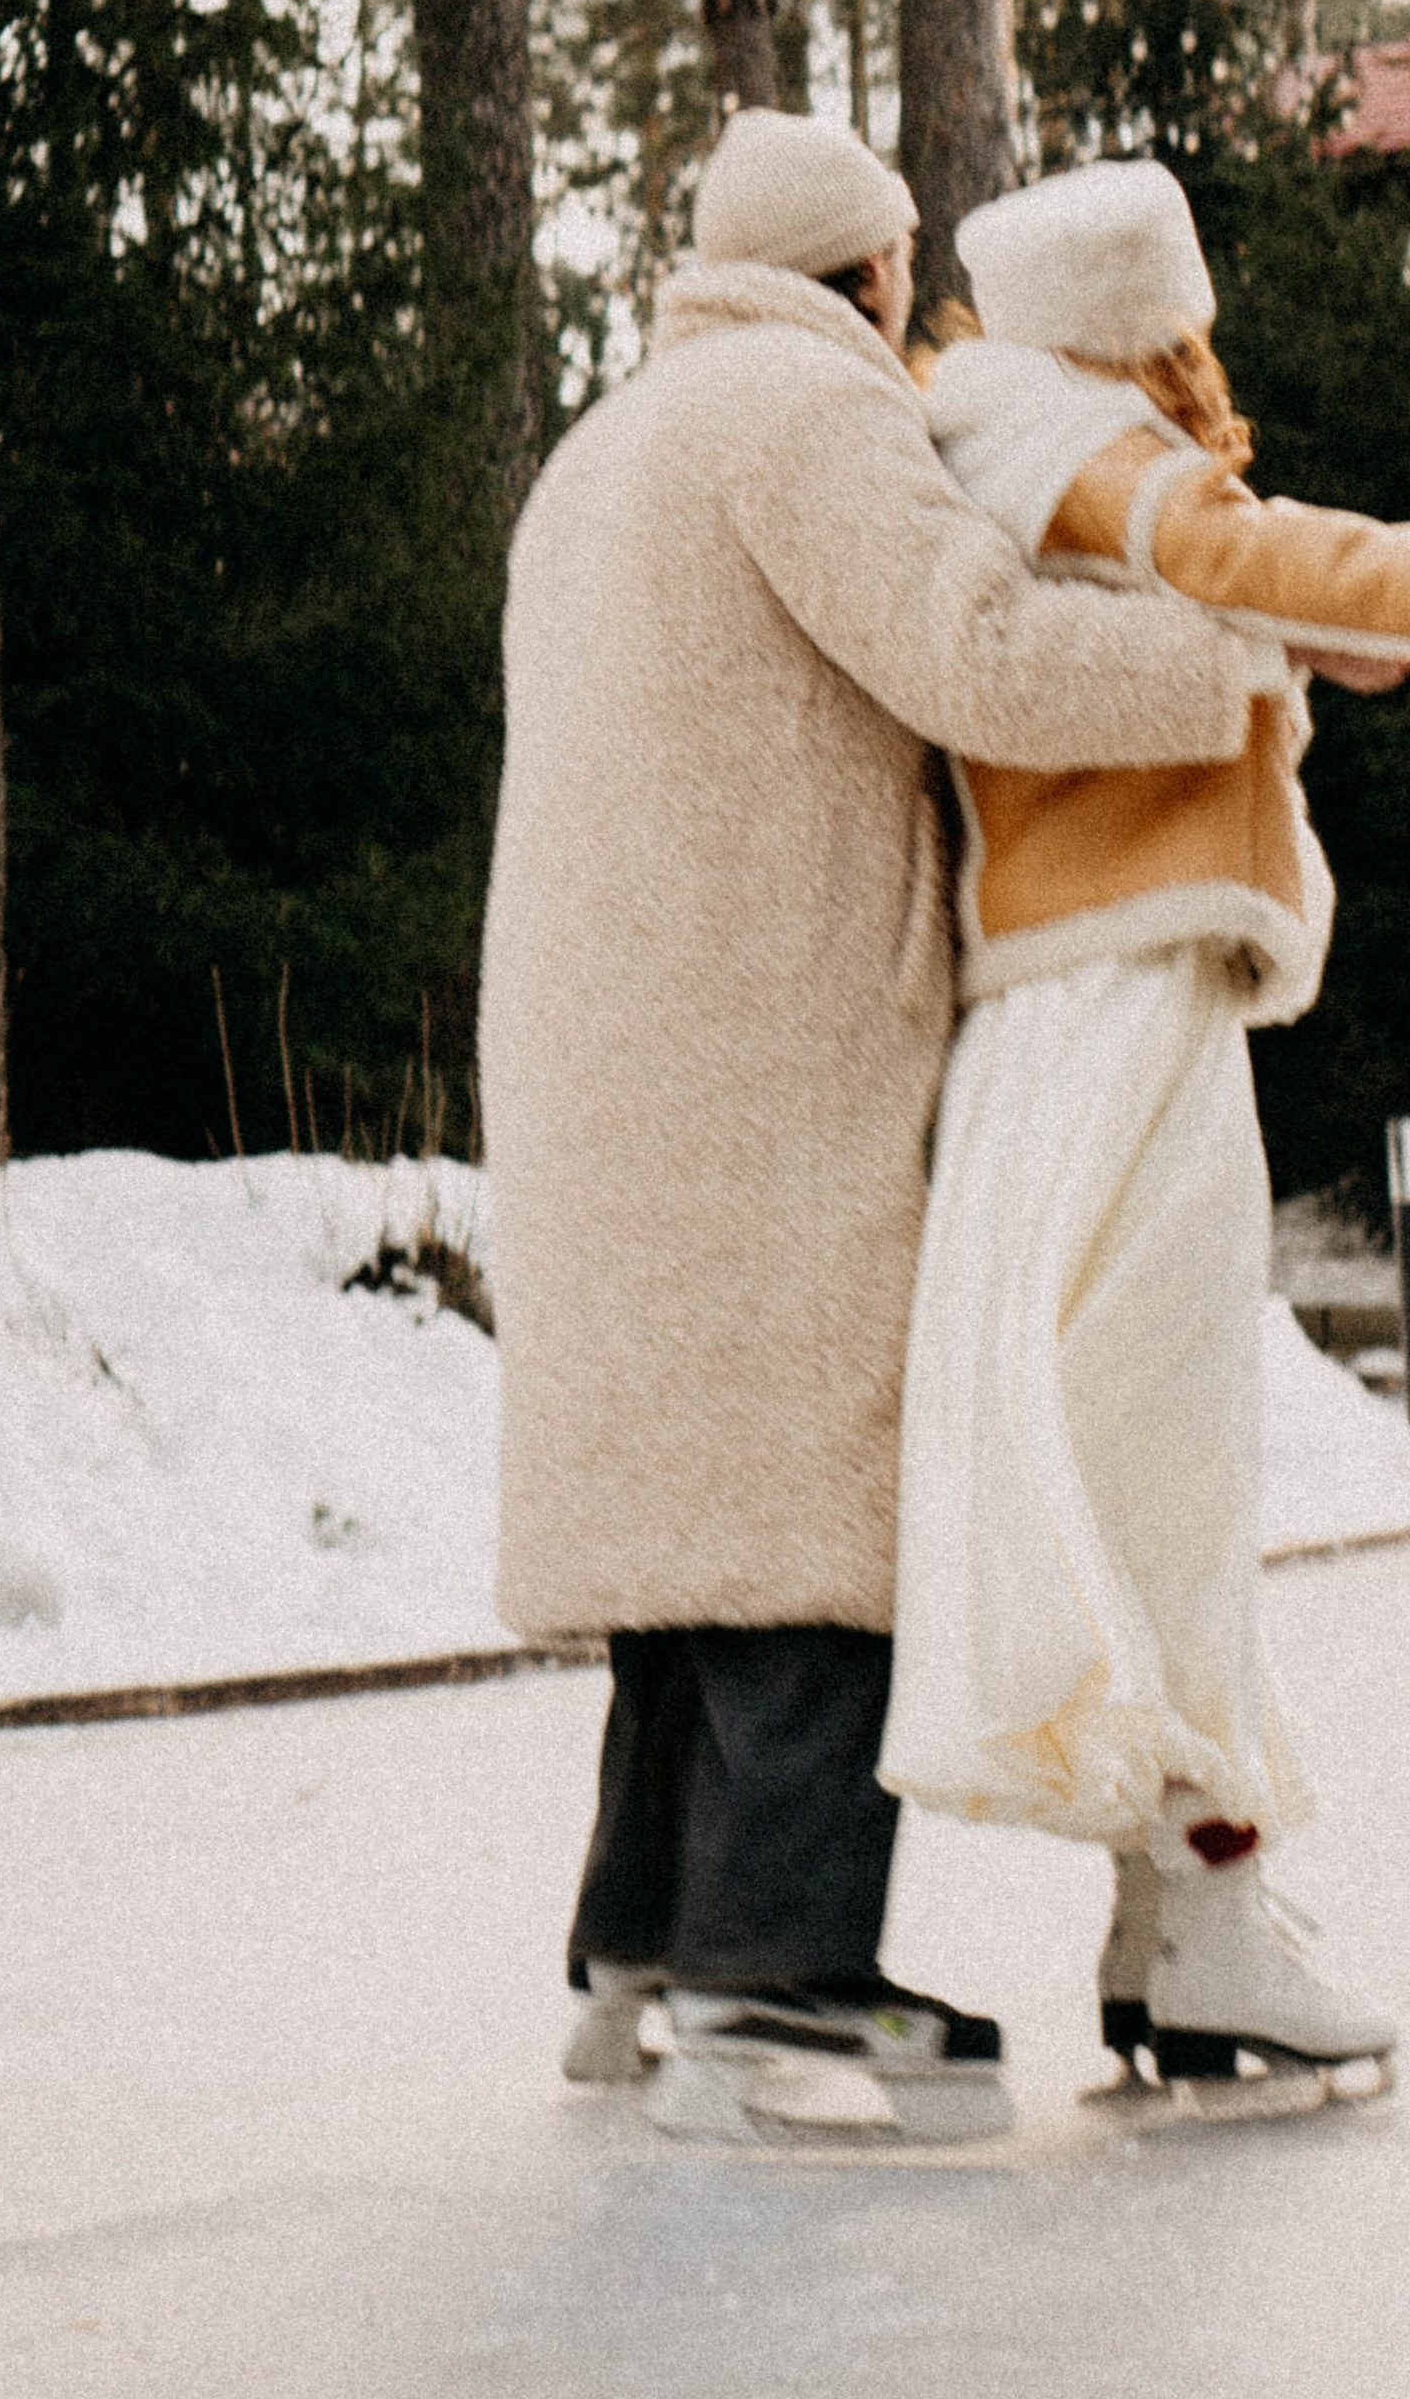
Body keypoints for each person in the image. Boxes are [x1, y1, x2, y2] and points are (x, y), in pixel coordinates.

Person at [877, 157, 1410, 2107]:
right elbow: (1326, 565)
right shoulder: (1083, 453)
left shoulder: (1010, 440)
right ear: (1137, 325)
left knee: (1143, 1464)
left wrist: (1289, 639)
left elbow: (1270, 606)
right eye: (1181, 324)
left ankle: (1183, 1930)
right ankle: (1205, 1929)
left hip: (1080, 1008)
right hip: (1124, 1008)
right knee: (1163, 1470)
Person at [479, 111, 1267, 2149]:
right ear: (862, 275)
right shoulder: (800, 416)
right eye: (901, 280)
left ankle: (637, 1944)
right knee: (815, 1510)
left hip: (594, 1066)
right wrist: (1226, 667)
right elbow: (972, 655)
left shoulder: (600, 453)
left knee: (680, 1529)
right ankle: (778, 1982)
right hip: (767, 1049)